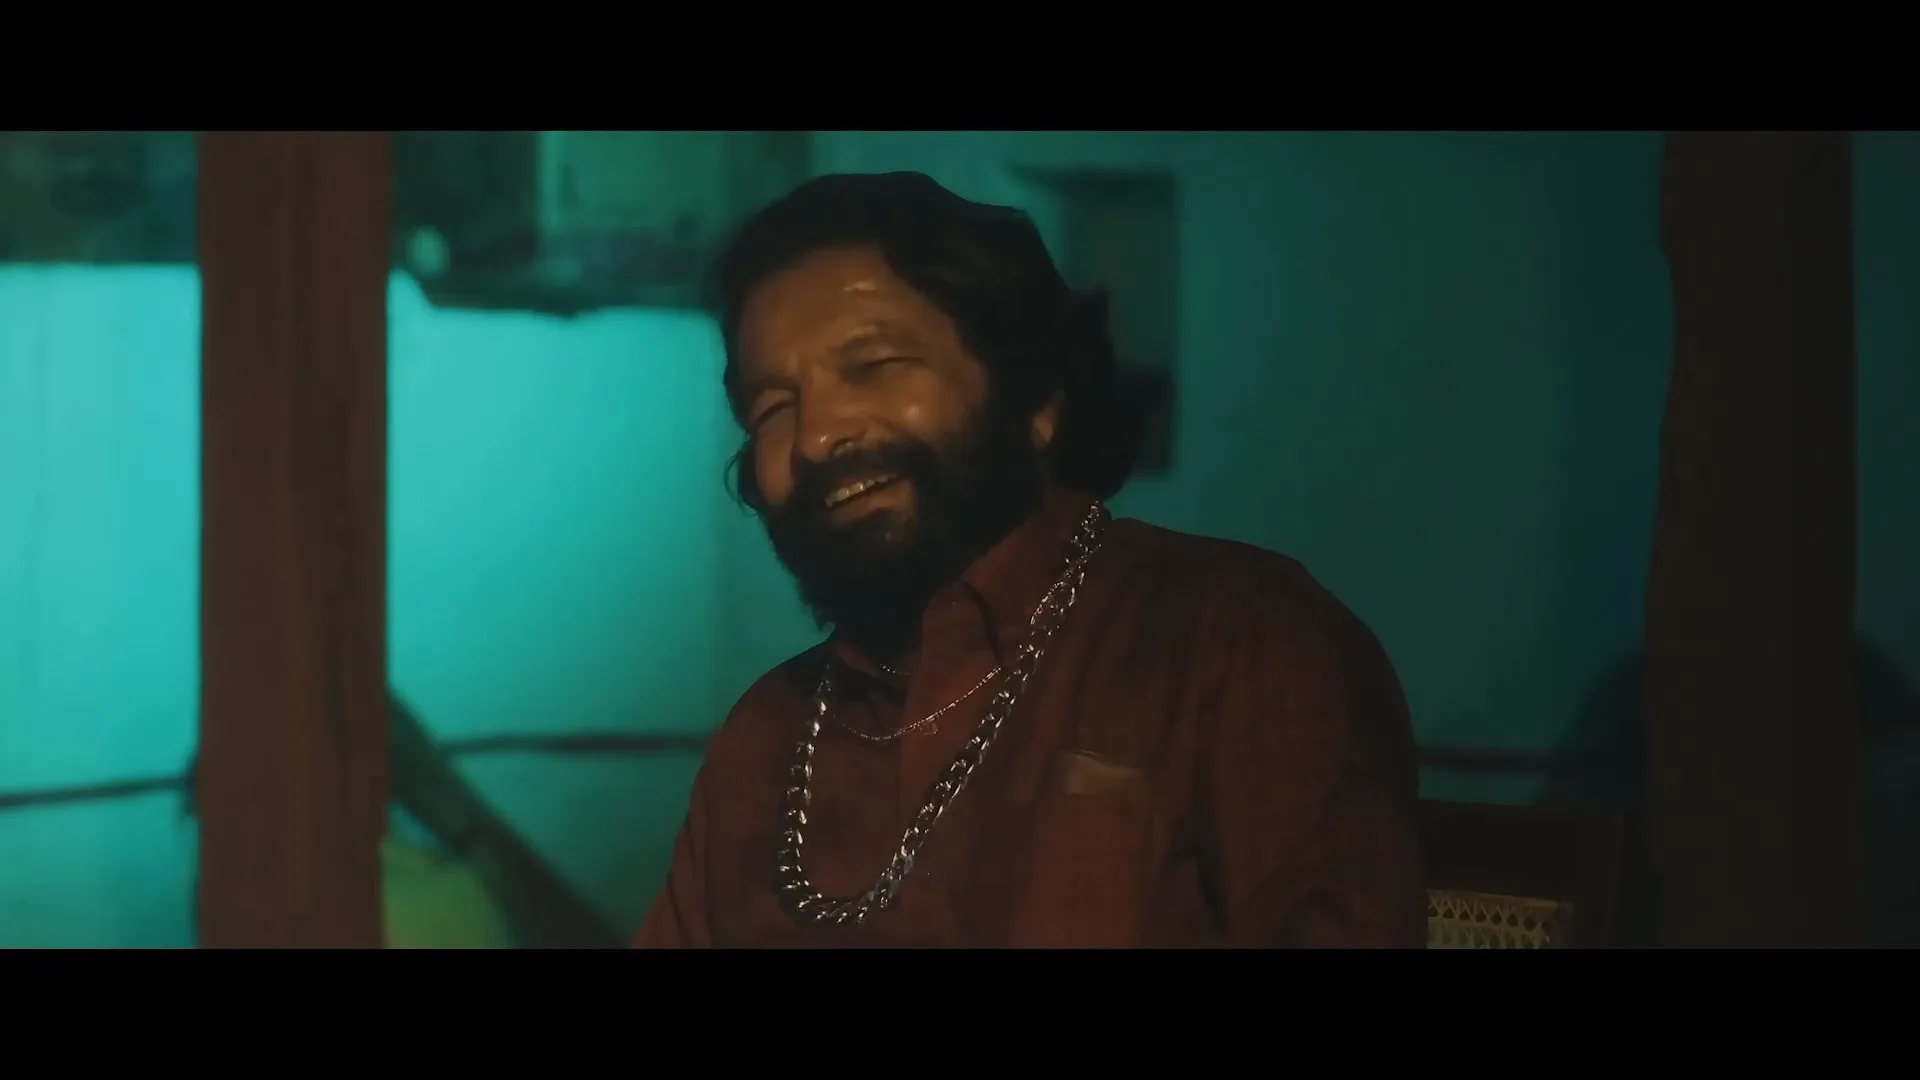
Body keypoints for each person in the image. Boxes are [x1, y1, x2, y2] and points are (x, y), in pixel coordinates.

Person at [634, 171, 1425, 948]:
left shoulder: (1237, 646)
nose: (816, 437)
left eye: (873, 366)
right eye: (774, 407)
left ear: (1036, 402)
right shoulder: (767, 736)